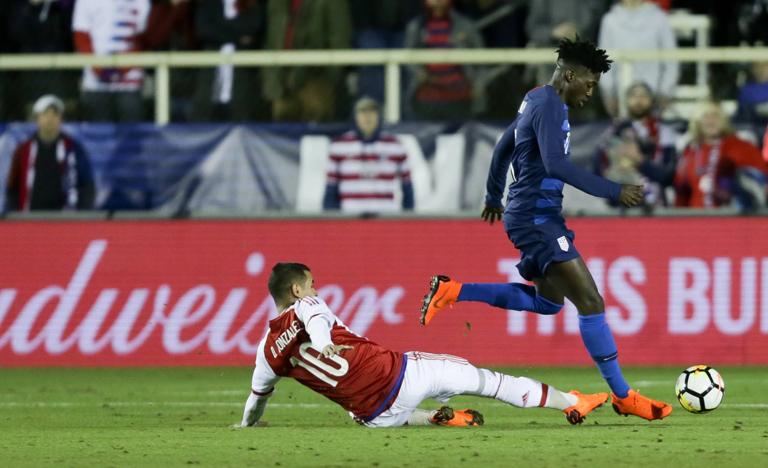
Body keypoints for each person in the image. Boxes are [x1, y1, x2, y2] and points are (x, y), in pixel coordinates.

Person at [419, 38, 673, 421]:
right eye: (588, 83)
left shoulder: (536, 98)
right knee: (591, 303)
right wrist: (613, 190)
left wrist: (493, 195)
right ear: (569, 75)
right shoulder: (551, 105)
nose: (591, 92)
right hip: (538, 218)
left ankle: (453, 290)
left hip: (528, 215)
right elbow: (555, 165)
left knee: (548, 303)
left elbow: (503, 146)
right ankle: (623, 395)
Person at [238, 263, 609, 429]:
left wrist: (246, 425)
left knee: (360, 412)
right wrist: (322, 343)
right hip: (402, 376)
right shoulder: (307, 305)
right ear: (296, 290)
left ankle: (432, 418)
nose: (316, 289)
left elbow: (256, 400)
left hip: (375, 417)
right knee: (486, 381)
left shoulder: (266, 352)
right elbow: (316, 321)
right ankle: (572, 403)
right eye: (312, 283)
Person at [261, 0, 351, 122]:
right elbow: (271, 38)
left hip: (316, 78)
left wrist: (328, 78)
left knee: (314, 132)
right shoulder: (276, 3)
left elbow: (340, 39)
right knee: (283, 133)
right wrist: (270, 76)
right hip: (280, 79)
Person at [593, 81, 678, 207]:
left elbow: (668, 177)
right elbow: (598, 169)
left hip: (654, 207)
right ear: (627, 100)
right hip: (620, 207)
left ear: (651, 101)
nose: (638, 100)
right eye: (634, 96)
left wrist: (640, 161)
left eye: (644, 96)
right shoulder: (613, 131)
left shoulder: (664, 132)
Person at [323, 97, 414, 213]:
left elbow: (407, 186)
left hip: (385, 217)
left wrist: (408, 217)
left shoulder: (395, 145)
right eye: (362, 112)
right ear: (355, 116)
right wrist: (330, 220)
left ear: (379, 116)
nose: (367, 117)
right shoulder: (339, 146)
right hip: (350, 217)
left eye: (372, 112)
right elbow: (331, 187)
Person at [5, 95, 94, 212]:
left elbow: (87, 185)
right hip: (29, 218)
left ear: (61, 119)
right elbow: (12, 187)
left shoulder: (74, 149)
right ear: (37, 118)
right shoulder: (23, 150)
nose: (50, 119)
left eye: (55, 114)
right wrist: (16, 215)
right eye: (45, 114)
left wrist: (81, 215)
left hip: (66, 219)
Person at [675, 100, 768, 210]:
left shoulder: (742, 147)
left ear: (724, 121)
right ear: (697, 122)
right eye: (705, 116)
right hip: (696, 217)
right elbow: (681, 192)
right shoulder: (690, 152)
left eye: (715, 116)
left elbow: (762, 180)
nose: (711, 120)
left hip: (733, 217)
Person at [403, 0, 483, 120]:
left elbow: (481, 58)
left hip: (460, 96)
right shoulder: (416, 27)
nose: (438, 2)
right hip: (426, 98)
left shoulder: (464, 25)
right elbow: (408, 58)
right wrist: (422, 74)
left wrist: (477, 84)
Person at [72, 0, 151, 122]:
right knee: (98, 135)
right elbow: (81, 36)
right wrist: (99, 69)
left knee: (132, 135)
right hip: (95, 84)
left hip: (130, 84)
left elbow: (142, 39)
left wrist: (123, 69)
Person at [597, 0, 678, 118]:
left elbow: (671, 61)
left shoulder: (659, 19)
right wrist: (609, 94)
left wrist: (665, 93)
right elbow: (603, 62)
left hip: (654, 95)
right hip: (620, 96)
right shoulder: (610, 20)